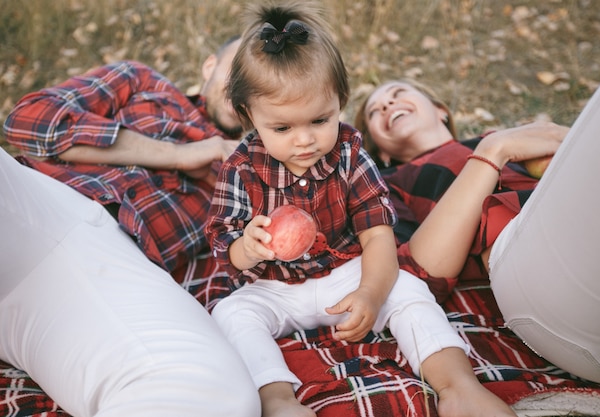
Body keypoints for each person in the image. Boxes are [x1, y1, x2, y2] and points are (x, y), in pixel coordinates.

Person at [206, 2, 517, 417]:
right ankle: (277, 399)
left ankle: (458, 386)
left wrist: (371, 292)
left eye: (320, 120)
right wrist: (249, 245)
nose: (304, 141)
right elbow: (224, 244)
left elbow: (378, 235)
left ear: (340, 101)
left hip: (344, 274)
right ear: (249, 116)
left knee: (408, 289)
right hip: (276, 287)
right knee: (231, 311)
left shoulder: (351, 153)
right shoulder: (241, 168)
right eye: (282, 128)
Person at [354, 51, 600, 386]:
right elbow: (413, 276)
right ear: (380, 150)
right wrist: (493, 152)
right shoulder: (388, 185)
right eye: (374, 111)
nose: (386, 106)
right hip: (546, 286)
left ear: (440, 110)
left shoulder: (514, 141)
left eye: (397, 94)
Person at [0, 147, 261, 417]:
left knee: (216, 396)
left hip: (71, 280)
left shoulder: (254, 168)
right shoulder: (160, 111)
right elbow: (32, 121)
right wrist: (176, 154)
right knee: (209, 392)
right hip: (54, 227)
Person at [3, 35, 243, 281]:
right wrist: (177, 155)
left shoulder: (247, 178)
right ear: (209, 66)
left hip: (118, 271)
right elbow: (26, 121)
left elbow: (215, 283)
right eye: (237, 70)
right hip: (50, 200)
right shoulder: (142, 80)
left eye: (257, 85)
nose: (241, 90)